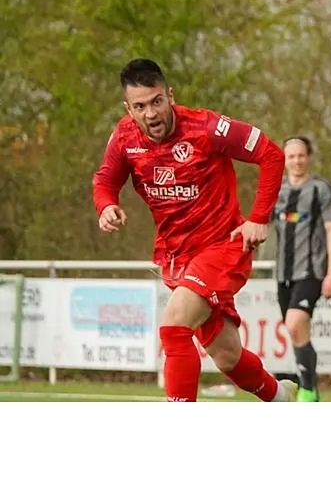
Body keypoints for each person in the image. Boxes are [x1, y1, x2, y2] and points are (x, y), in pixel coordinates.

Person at [92, 58, 296, 402]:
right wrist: (106, 205)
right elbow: (105, 180)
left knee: (174, 327)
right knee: (228, 356)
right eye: (140, 107)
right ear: (128, 108)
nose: (151, 114)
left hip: (224, 247)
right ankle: (281, 398)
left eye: (157, 101)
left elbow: (271, 154)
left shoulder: (206, 128)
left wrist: (259, 217)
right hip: (177, 258)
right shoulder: (125, 136)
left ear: (170, 96)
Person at [273, 135, 331, 402]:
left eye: (301, 155)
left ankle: (308, 389)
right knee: (295, 331)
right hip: (283, 273)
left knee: (295, 322)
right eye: (291, 156)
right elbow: (260, 224)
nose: (297, 161)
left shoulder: (321, 190)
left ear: (308, 157)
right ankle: (308, 386)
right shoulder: (277, 191)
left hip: (312, 271)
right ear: (284, 160)